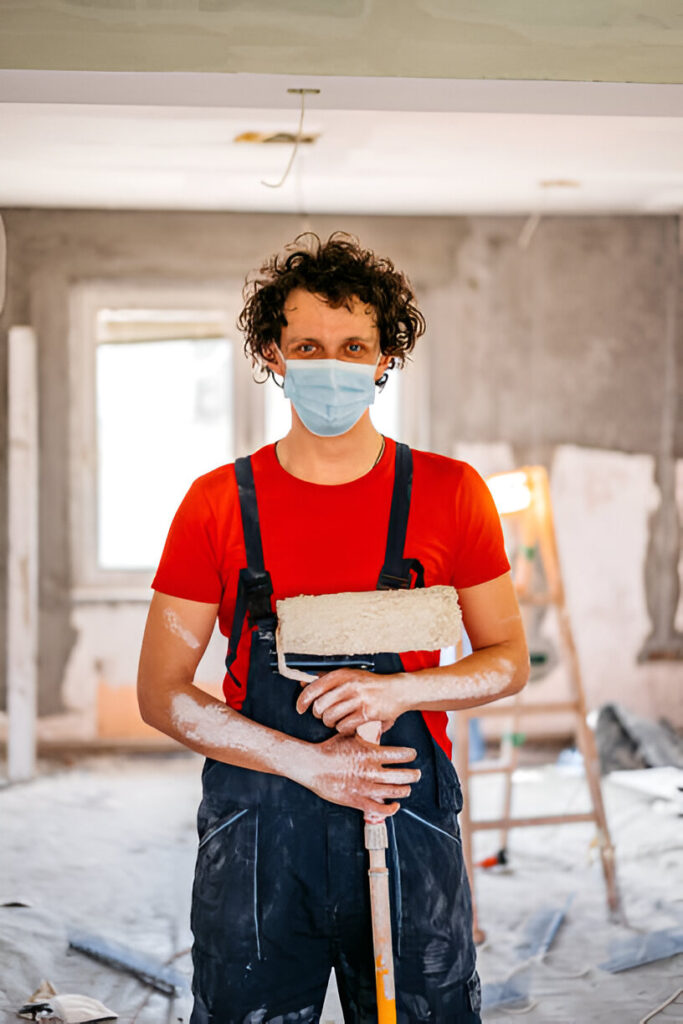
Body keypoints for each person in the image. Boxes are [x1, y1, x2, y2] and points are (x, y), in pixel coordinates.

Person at [137, 233, 529, 1024]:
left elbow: (507, 660)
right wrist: (306, 763)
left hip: (404, 811)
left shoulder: (451, 494)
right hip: (257, 828)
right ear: (272, 353)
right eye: (309, 344)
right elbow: (160, 694)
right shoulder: (216, 503)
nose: (332, 363)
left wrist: (400, 690)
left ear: (385, 357)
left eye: (354, 345)